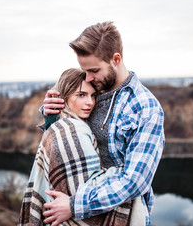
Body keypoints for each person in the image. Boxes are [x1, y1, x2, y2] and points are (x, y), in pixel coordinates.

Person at [41, 22, 165, 226]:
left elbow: (135, 182)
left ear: (116, 59)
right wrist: (52, 114)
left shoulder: (145, 108)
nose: (88, 77)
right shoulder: (90, 90)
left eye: (94, 70)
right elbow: (66, 142)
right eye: (84, 70)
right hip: (73, 213)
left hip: (121, 216)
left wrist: (75, 205)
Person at [18, 68, 140, 226]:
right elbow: (84, 188)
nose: (90, 102)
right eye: (81, 95)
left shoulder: (61, 124)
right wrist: (124, 170)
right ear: (64, 96)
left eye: (93, 95)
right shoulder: (73, 129)